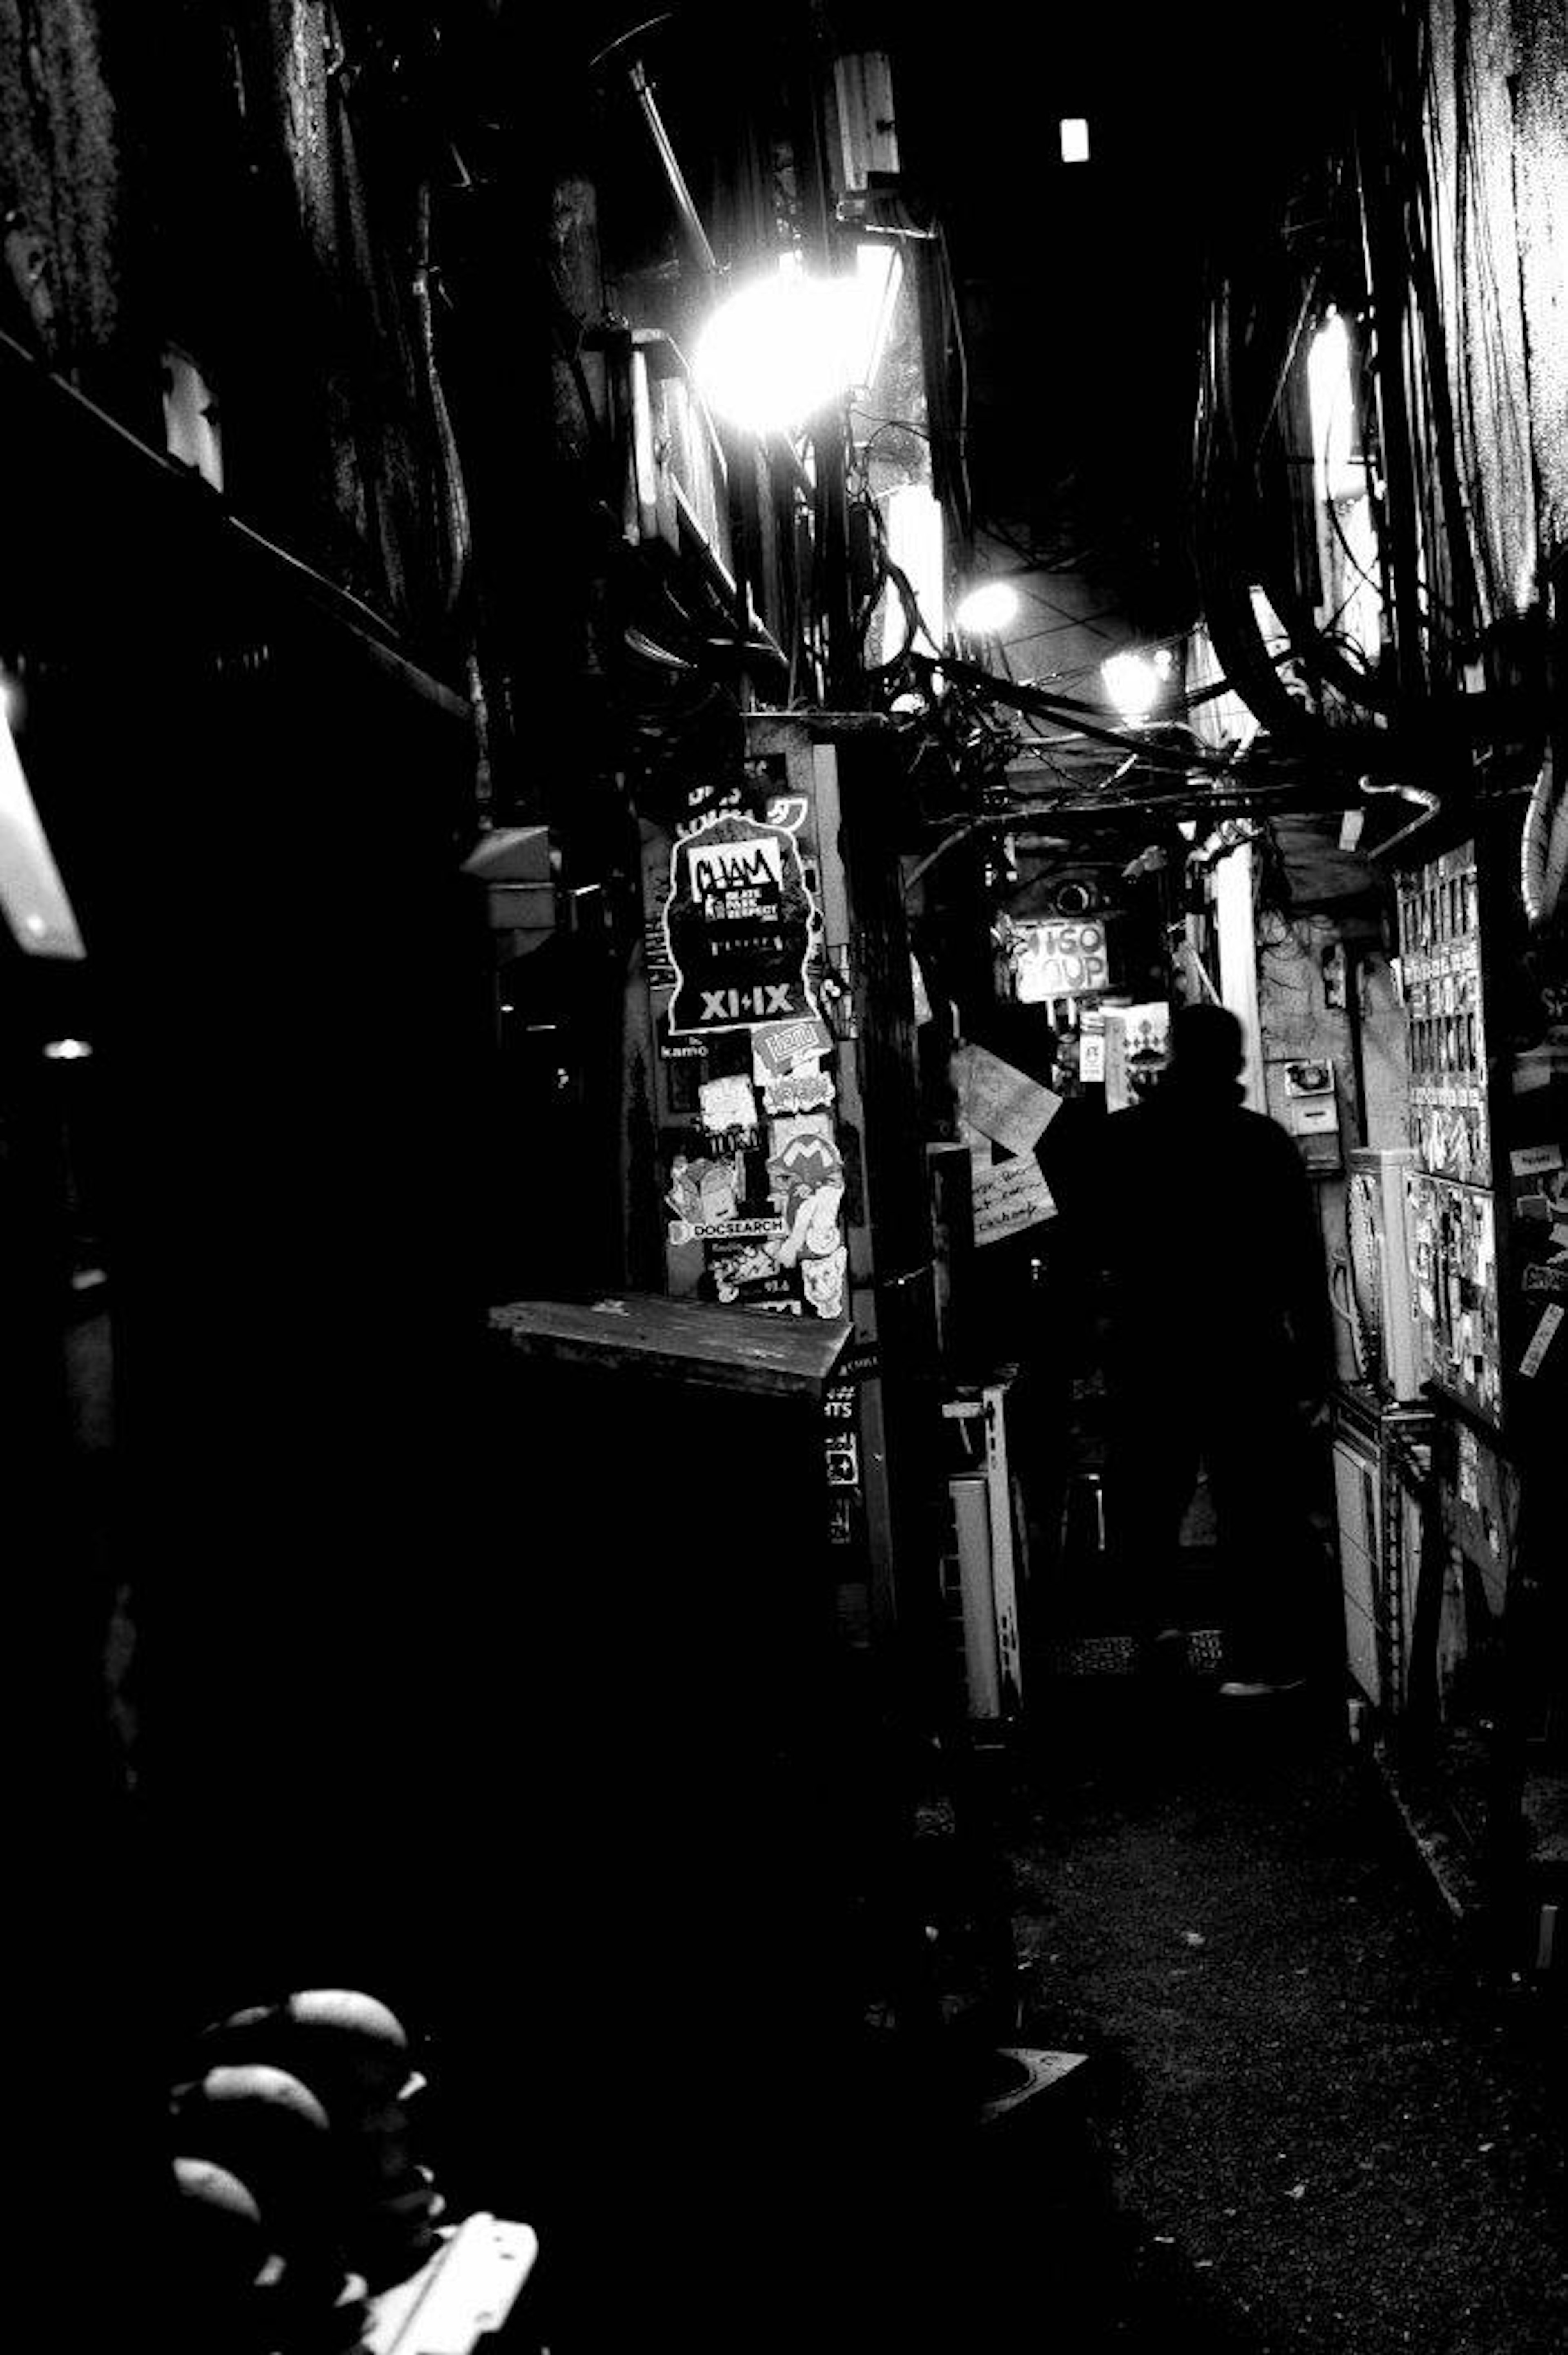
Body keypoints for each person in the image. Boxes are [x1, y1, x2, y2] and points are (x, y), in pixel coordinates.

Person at [1091, 1000, 1334, 1696]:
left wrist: (1098, 1331)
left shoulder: (1123, 1139)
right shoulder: (1264, 1144)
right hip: (1243, 1351)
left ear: (1170, 1053)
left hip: (1150, 1348)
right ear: (1236, 1063)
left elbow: (1092, 1250)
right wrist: (1316, 1363)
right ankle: (1256, 1659)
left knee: (1147, 1500)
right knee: (1254, 1509)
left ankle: (1155, 1634)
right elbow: (1301, 1265)